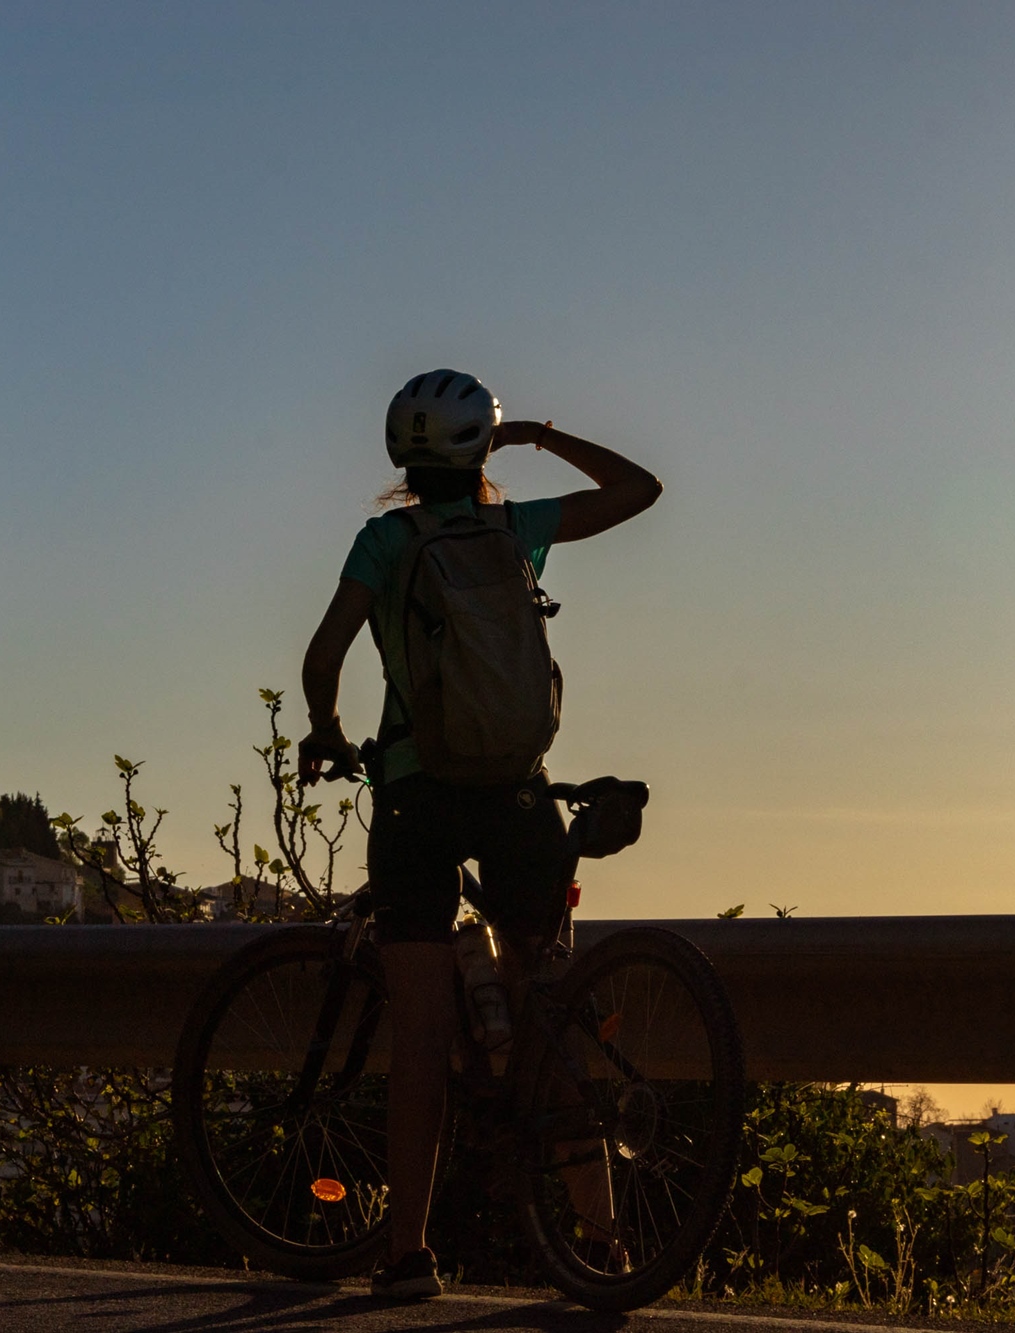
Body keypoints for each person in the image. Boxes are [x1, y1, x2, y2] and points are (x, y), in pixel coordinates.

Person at [296, 368, 663, 1298]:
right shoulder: (516, 529)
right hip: (515, 794)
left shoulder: (385, 539)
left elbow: (325, 651)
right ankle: (605, 1246)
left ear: (402, 457)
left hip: (419, 795)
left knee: (419, 1030)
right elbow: (639, 489)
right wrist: (537, 434)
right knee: (548, 1009)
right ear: (479, 450)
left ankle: (407, 1255)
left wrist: (329, 731)